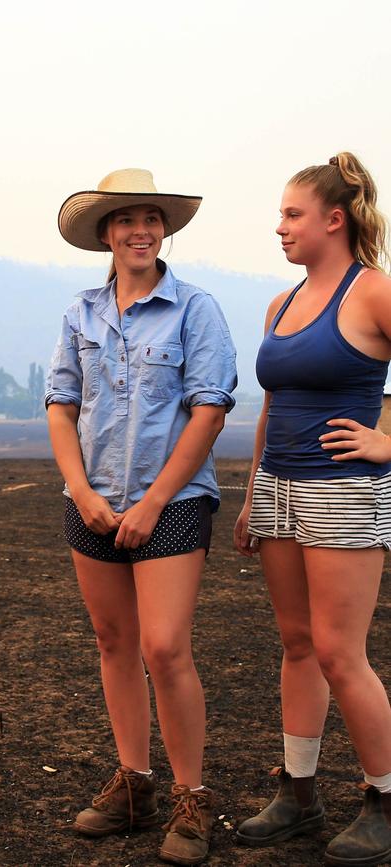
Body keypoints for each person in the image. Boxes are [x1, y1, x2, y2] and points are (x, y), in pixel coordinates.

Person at [45, 168, 237, 865]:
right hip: (89, 500)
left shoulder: (196, 309)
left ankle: (193, 797)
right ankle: (135, 782)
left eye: (152, 218)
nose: (141, 230)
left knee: (164, 646)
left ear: (165, 230)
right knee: (113, 640)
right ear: (106, 233)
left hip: (174, 502)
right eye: (127, 220)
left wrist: (153, 500)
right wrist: (82, 490)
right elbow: (61, 404)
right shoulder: (80, 314)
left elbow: (209, 409)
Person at [233, 152, 391, 866]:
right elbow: (271, 402)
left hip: (343, 493)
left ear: (334, 219)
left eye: (292, 214)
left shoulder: (375, 292)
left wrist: (386, 444)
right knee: (297, 644)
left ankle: (384, 799)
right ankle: (300, 794)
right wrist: (250, 494)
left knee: (339, 651)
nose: (280, 227)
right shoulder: (280, 303)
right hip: (279, 489)